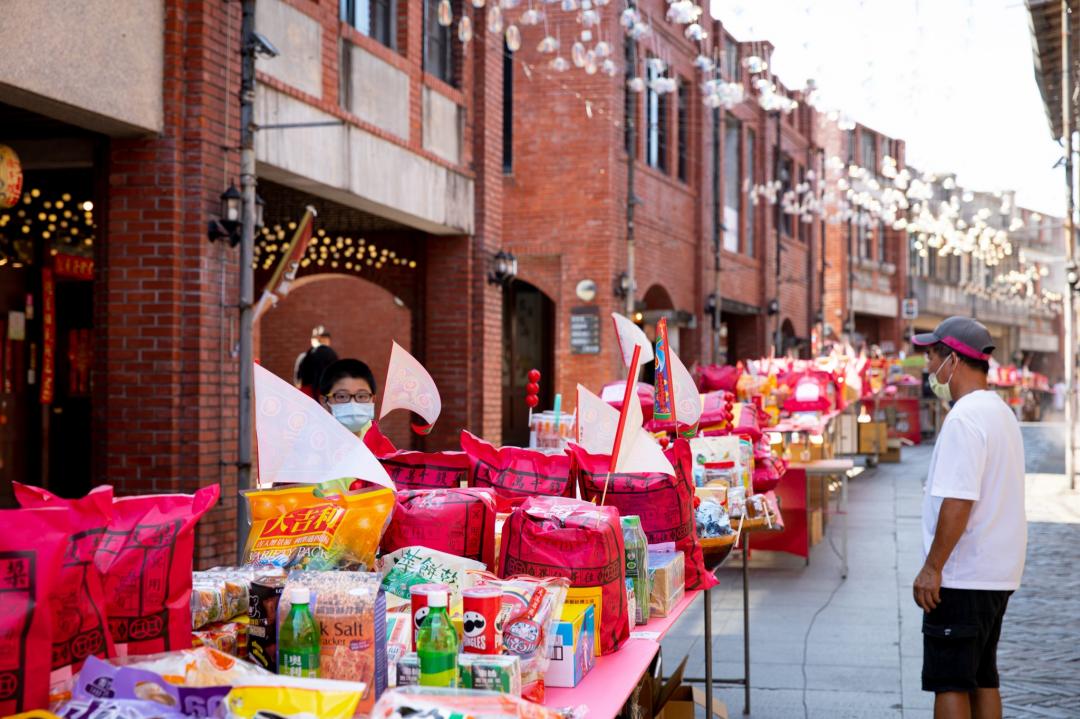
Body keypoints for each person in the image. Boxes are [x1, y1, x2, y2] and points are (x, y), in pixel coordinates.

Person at [911, 317, 1026, 719]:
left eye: (932, 354)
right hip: (996, 573)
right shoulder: (1000, 412)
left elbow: (959, 501)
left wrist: (932, 567)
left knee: (950, 682)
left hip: (964, 575)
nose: (928, 366)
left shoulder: (964, 419)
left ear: (953, 360)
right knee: (982, 677)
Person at [318, 358, 377, 439]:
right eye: (342, 396)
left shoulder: (381, 445)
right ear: (324, 401)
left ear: (373, 400)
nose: (353, 404)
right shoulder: (311, 444)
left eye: (361, 396)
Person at [294, 326, 338, 399]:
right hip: (326, 395)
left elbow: (298, 381)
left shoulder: (305, 355)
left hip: (308, 395)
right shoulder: (332, 354)